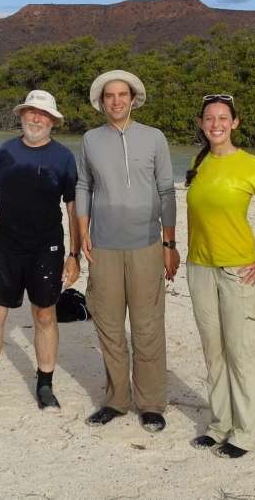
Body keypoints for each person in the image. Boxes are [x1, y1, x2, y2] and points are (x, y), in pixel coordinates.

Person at [0, 89, 80, 411]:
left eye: (43, 114)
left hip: (46, 247)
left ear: (53, 121)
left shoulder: (64, 157)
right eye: (31, 112)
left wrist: (74, 254)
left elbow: (73, 206)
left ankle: (45, 385)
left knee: (45, 314)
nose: (36, 119)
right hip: (6, 245)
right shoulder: (7, 151)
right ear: (21, 116)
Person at [185, 94, 255, 458]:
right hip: (199, 268)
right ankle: (220, 425)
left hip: (238, 273)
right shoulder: (198, 163)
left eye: (223, 118)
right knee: (213, 352)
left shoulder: (249, 164)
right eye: (209, 118)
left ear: (235, 123)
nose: (215, 124)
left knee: (240, 353)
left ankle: (245, 434)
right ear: (202, 123)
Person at [76, 70, 179, 432]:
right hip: (102, 246)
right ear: (101, 102)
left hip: (147, 245)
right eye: (110, 96)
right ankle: (117, 400)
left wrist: (170, 244)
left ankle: (151, 403)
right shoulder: (90, 139)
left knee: (147, 325)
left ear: (133, 99)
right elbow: (83, 185)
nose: (117, 101)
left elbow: (166, 190)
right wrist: (82, 232)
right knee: (108, 324)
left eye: (123, 95)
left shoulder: (154, 138)